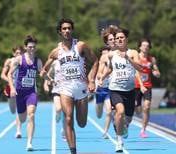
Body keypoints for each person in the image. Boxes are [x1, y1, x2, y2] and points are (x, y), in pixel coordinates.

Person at [40, 18, 98, 154]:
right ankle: (73, 151)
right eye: (64, 29)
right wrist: (45, 76)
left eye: (69, 28)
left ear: (72, 30)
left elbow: (95, 61)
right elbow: (43, 70)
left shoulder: (80, 46)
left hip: (81, 87)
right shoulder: (56, 52)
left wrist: (91, 80)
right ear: (60, 32)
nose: (67, 31)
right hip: (65, 88)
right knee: (68, 117)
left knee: (82, 123)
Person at [98, 27, 142, 152]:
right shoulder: (111, 55)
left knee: (128, 118)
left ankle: (125, 126)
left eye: (122, 37)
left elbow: (140, 68)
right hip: (115, 89)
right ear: (115, 42)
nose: (119, 40)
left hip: (130, 91)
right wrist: (102, 77)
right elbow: (110, 68)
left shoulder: (133, 53)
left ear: (126, 39)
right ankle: (119, 141)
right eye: (117, 38)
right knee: (120, 112)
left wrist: (128, 58)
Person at [8, 35, 43, 151]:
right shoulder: (19, 60)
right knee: (22, 118)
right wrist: (12, 88)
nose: (32, 49)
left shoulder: (38, 61)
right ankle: (19, 125)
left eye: (33, 47)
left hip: (31, 93)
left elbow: (42, 73)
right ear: (25, 47)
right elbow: (9, 74)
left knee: (31, 115)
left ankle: (29, 143)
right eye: (29, 47)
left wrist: (50, 80)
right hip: (20, 93)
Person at [134, 38, 160, 138]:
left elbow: (157, 72)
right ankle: (136, 111)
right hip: (136, 86)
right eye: (144, 45)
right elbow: (134, 71)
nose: (145, 47)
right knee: (137, 109)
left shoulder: (152, 59)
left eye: (147, 46)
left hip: (147, 86)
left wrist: (156, 73)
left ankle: (143, 130)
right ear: (140, 47)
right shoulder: (136, 58)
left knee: (147, 106)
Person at [95, 25, 118, 139]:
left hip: (112, 88)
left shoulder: (121, 53)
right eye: (110, 40)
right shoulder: (104, 57)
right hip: (102, 88)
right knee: (99, 114)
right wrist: (100, 78)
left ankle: (105, 132)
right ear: (107, 43)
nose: (113, 41)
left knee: (109, 111)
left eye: (114, 38)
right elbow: (99, 72)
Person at [0, 46, 24, 138]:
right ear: (14, 54)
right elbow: (2, 75)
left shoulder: (24, 61)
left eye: (20, 53)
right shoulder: (9, 61)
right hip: (11, 87)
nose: (19, 54)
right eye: (17, 53)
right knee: (13, 111)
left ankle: (18, 131)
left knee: (19, 110)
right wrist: (11, 82)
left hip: (21, 87)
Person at [43, 59, 66, 140]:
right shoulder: (55, 63)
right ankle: (58, 113)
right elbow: (48, 74)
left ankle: (64, 130)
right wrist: (46, 84)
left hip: (67, 91)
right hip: (56, 89)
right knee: (59, 108)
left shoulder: (71, 61)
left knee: (66, 113)